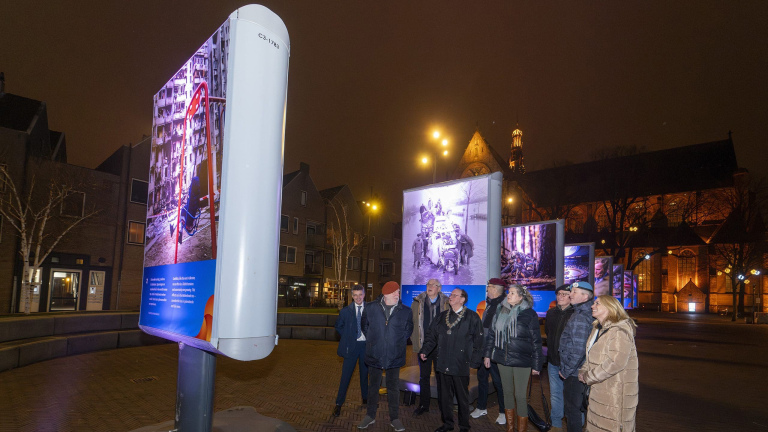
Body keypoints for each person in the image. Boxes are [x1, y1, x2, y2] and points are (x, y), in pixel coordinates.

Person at [420, 288, 484, 432]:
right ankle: (447, 424)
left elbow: (479, 341)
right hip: (442, 363)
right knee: (444, 397)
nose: (451, 297)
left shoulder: (472, 317)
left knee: (462, 398)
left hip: (460, 364)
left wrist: (474, 362)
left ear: (462, 299)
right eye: (451, 295)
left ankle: (464, 426)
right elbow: (431, 336)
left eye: (455, 295)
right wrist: (425, 350)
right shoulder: (442, 317)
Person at [483, 284, 543, 432]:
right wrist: (487, 355)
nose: (508, 295)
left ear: (521, 297)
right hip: (503, 359)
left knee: (520, 396)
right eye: (509, 292)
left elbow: (536, 341)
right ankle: (510, 428)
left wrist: (537, 365)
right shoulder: (499, 310)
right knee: (507, 393)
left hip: (523, 361)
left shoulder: (529, 314)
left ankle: (521, 429)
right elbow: (491, 335)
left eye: (513, 293)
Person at [358, 281, 413, 431]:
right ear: (386, 293)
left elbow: (408, 331)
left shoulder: (406, 311)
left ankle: (394, 418)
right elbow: (365, 327)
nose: (398, 294)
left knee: (393, 388)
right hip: (374, 354)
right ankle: (370, 415)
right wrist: (374, 341)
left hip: (394, 356)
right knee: (373, 387)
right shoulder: (370, 308)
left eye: (398, 292)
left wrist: (395, 343)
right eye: (395, 292)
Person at [578, 295, 638, 432]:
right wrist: (583, 371)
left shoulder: (619, 331)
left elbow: (615, 363)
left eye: (597, 303)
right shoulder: (598, 329)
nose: (592, 306)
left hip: (615, 393)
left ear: (610, 308)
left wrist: (589, 377)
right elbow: (590, 355)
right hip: (599, 390)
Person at [558, 281, 595, 432]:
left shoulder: (580, 317)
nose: (570, 295)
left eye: (574, 292)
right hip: (581, 371)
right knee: (582, 409)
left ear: (585, 297)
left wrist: (566, 370)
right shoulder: (584, 313)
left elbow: (579, 349)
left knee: (572, 411)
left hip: (575, 373)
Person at [470, 278, 507, 425]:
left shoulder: (504, 305)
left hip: (496, 350)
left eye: (489, 287)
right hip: (483, 349)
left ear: (497, 288)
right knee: (482, 379)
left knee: (499, 382)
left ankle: (503, 412)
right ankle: (481, 407)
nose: (487, 289)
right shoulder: (489, 304)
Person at [411, 279, 450, 416]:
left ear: (439, 288)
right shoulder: (417, 302)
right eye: (428, 284)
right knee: (424, 377)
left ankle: (443, 405)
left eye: (433, 285)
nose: (430, 287)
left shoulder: (447, 302)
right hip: (424, 347)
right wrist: (414, 340)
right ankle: (423, 405)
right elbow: (411, 323)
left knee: (441, 378)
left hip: (441, 348)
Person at [332, 285, 369, 417]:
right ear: (352, 296)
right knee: (345, 377)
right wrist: (348, 337)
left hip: (365, 346)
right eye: (355, 295)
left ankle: (365, 398)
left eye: (360, 294)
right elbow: (338, 326)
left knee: (365, 375)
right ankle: (338, 404)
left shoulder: (370, 309)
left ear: (364, 295)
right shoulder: (345, 311)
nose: (358, 297)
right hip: (351, 348)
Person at [544, 284, 575, 432]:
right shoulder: (550, 313)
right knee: (555, 394)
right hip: (553, 361)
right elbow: (549, 334)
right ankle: (556, 424)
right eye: (559, 294)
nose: (560, 297)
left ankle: (575, 425)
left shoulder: (576, 314)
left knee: (572, 395)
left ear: (571, 296)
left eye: (564, 294)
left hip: (571, 363)